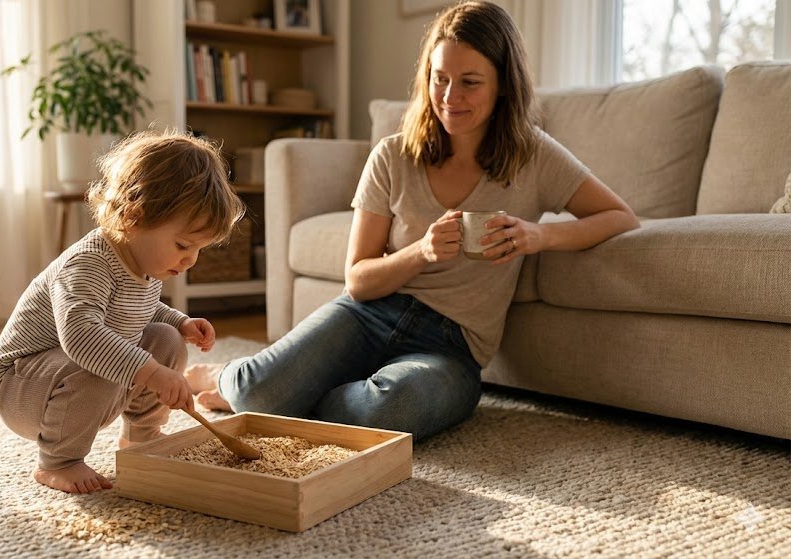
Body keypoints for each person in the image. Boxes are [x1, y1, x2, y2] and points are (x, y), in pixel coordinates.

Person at [186, 0, 639, 441]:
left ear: (503, 84)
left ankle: (294, 396)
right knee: (257, 391)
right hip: (367, 316)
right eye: (439, 79)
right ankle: (236, 379)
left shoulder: (533, 155)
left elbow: (619, 216)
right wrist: (420, 250)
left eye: (469, 82)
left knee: (392, 407)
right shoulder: (392, 155)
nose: (449, 97)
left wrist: (538, 234)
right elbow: (359, 281)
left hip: (451, 349)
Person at [0, 130, 245, 493]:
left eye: (199, 249)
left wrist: (179, 322)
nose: (190, 260)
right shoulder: (88, 264)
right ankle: (58, 461)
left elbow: (140, 309)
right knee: (101, 359)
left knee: (166, 341)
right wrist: (151, 373)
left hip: (68, 379)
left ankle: (141, 438)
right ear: (135, 216)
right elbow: (83, 338)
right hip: (21, 388)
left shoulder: (143, 263)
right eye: (183, 244)